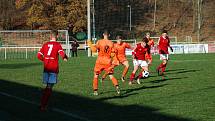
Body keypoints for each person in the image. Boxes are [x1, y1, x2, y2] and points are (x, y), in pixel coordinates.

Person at [37, 29, 68, 111]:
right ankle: (43, 105)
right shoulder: (57, 45)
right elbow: (62, 54)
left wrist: (45, 60)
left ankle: (43, 103)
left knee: (48, 86)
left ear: (50, 36)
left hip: (46, 68)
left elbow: (39, 56)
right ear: (57, 36)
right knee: (49, 87)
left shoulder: (45, 44)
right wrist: (65, 57)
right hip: (53, 69)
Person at [87, 31, 120, 95]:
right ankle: (117, 87)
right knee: (111, 76)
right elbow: (113, 54)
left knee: (96, 76)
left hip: (99, 61)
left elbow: (94, 50)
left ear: (103, 34)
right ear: (109, 35)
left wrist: (90, 44)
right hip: (108, 61)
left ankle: (95, 91)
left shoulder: (99, 41)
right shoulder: (111, 43)